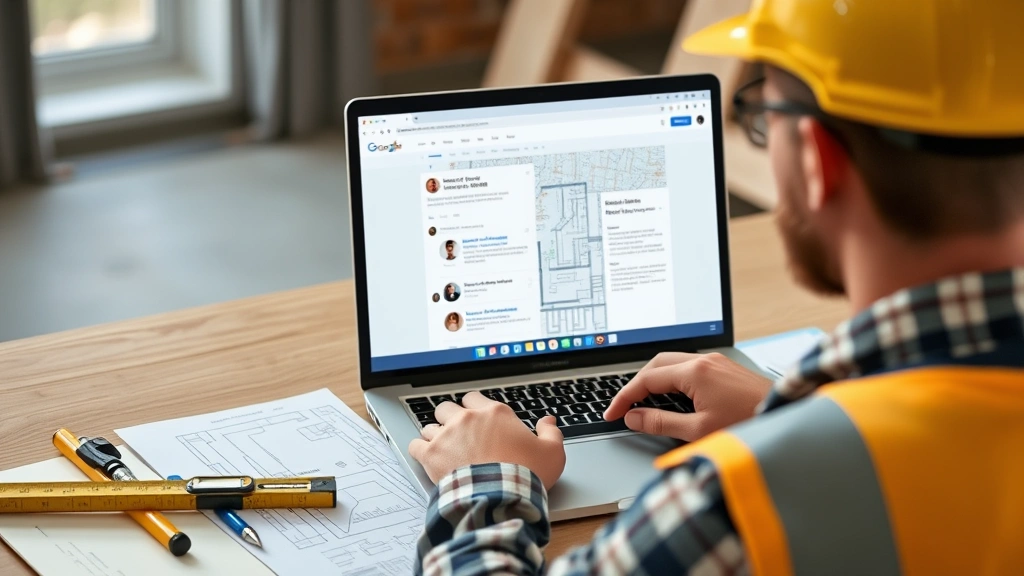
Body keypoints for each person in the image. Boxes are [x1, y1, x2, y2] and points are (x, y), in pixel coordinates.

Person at [409, 1, 1024, 574]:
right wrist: (791, 414)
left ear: (815, 159)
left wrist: (484, 482)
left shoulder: (736, 499)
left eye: (762, 116)